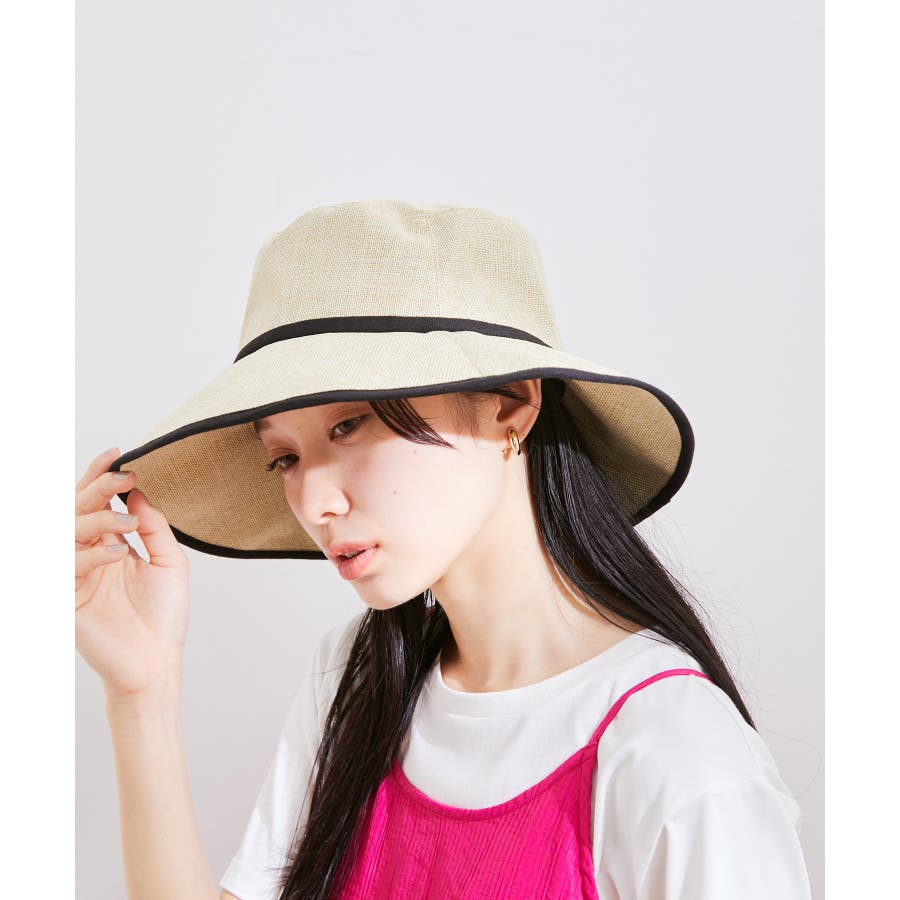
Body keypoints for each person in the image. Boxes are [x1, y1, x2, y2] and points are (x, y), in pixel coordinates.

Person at [75, 200, 813, 899]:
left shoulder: (675, 754)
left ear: (511, 406)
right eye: (285, 458)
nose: (315, 501)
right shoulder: (359, 681)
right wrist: (142, 691)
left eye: (349, 426)